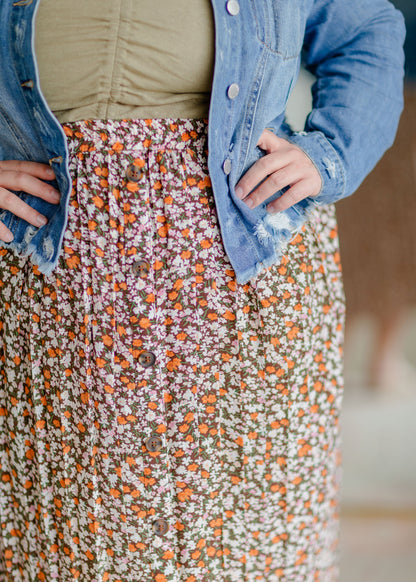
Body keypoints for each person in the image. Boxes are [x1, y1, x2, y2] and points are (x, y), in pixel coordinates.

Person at [0, 1, 405, 581]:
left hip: (248, 282)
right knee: (73, 548)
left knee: (251, 545)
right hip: (53, 292)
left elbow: (366, 28)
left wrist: (332, 154)